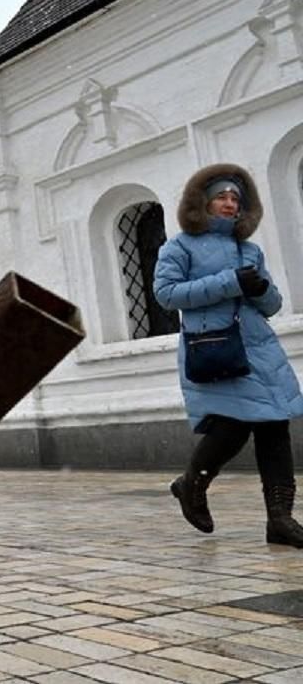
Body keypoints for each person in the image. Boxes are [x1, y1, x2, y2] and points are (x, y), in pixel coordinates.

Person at [154, 163, 303, 546]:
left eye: (235, 198)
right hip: (217, 348)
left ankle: (281, 520)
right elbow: (167, 294)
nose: (229, 203)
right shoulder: (180, 246)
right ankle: (192, 485)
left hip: (260, 350)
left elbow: (271, 305)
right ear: (202, 202)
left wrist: (258, 287)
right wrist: (229, 281)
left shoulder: (249, 249)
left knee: (275, 427)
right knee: (232, 427)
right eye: (221, 196)